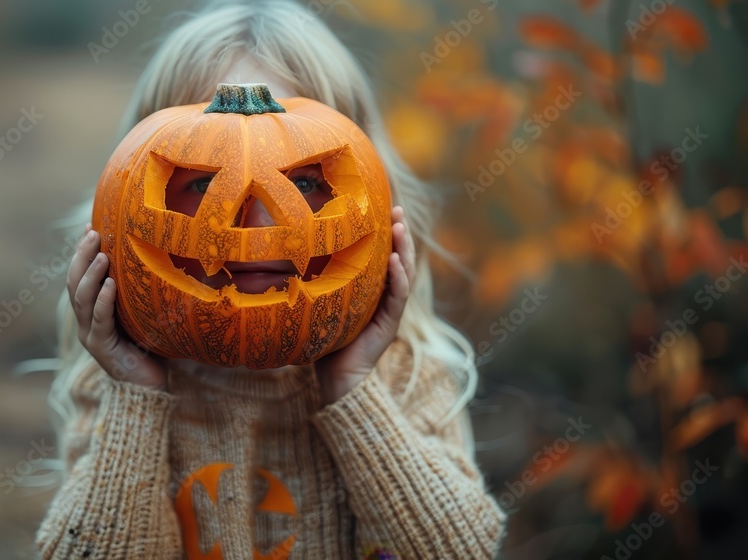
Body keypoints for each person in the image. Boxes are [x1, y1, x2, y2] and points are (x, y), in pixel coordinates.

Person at [37, 1, 506, 558]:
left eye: (304, 184)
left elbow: (460, 551)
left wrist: (353, 389)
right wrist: (137, 396)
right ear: (125, 198)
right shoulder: (118, 384)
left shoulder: (403, 371)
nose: (258, 224)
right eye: (202, 182)